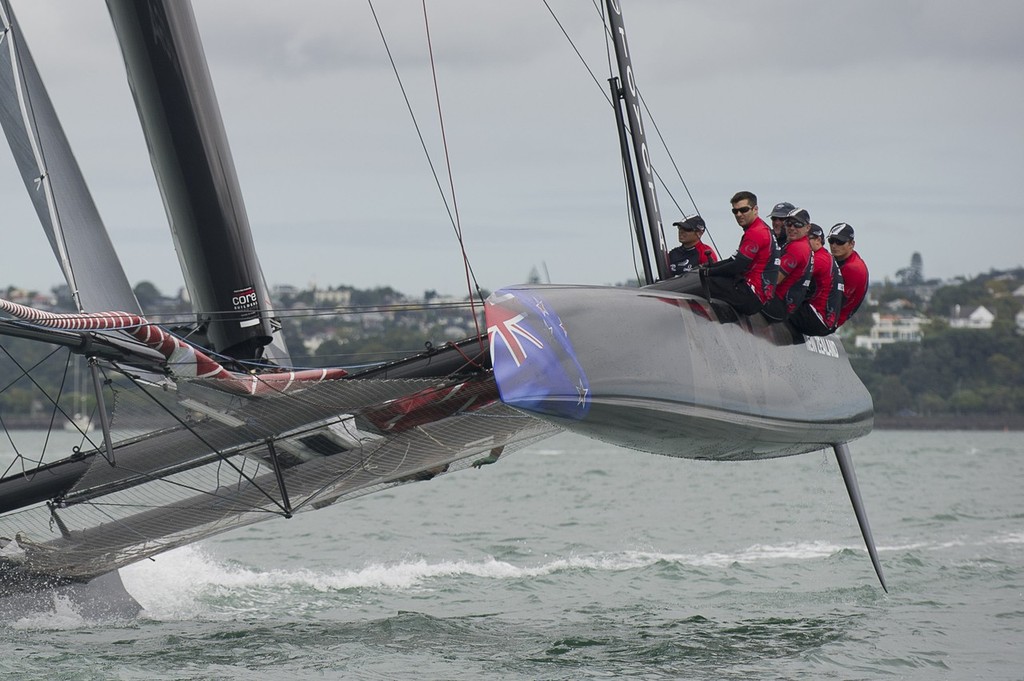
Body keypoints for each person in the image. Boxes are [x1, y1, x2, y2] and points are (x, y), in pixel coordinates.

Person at [700, 191, 779, 315]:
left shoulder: (756, 233)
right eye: (735, 211)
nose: (739, 214)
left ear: (755, 209)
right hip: (755, 295)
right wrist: (708, 267)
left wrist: (708, 272)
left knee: (702, 283)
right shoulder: (760, 228)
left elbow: (737, 266)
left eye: (743, 210)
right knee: (708, 277)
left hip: (750, 296)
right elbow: (733, 260)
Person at [790, 223, 843, 336]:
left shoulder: (819, 259)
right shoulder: (826, 257)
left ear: (818, 240)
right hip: (825, 321)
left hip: (817, 318)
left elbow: (790, 277)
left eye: (806, 239)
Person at [763, 207, 813, 321]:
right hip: (783, 305)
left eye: (797, 224)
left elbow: (773, 280)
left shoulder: (797, 248)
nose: (792, 228)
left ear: (807, 227)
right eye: (789, 224)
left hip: (777, 305)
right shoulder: (799, 244)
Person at [828, 222, 869, 327]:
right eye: (831, 241)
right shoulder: (846, 258)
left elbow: (837, 302)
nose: (834, 245)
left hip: (830, 320)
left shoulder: (853, 268)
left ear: (852, 244)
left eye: (840, 242)